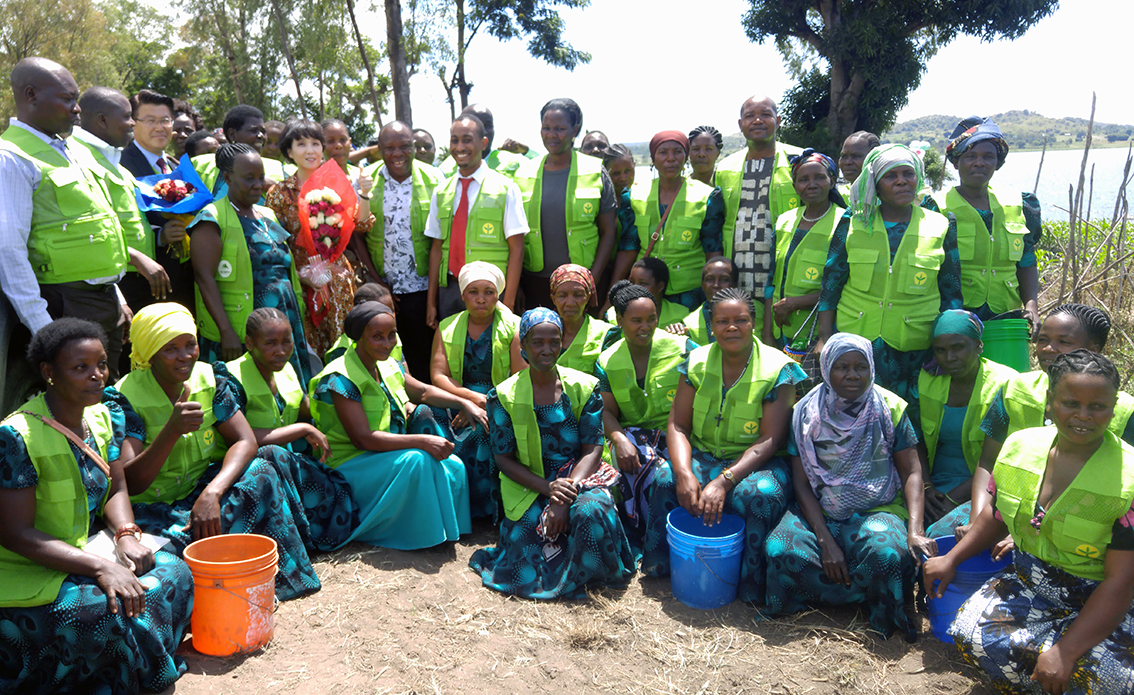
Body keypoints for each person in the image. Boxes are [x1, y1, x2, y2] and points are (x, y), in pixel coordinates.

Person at [924, 350, 1134, 695]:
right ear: (1050, 402)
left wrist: (1065, 652)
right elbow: (998, 516)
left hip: (1102, 600)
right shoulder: (1021, 447)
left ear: (1113, 408)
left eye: (1098, 406)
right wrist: (952, 558)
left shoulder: (1128, 479)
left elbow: (1120, 584)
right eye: (1070, 403)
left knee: (1111, 679)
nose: (1083, 416)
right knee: (971, 632)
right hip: (1032, 583)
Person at [0, 318, 192, 694]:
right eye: (80, 367)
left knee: (172, 571)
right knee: (102, 611)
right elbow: (14, 533)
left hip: (86, 550)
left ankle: (141, 668)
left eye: (102, 364)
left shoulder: (102, 416)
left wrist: (125, 535)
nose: (97, 375)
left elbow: (117, 486)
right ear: (48, 373)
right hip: (30, 571)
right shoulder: (15, 436)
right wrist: (101, 567)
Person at [105, 303, 329, 600]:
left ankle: (277, 581)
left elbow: (246, 440)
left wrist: (212, 492)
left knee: (263, 469)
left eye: (190, 345)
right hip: (154, 510)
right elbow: (131, 482)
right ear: (149, 353)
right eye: (170, 349)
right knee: (167, 558)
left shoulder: (208, 378)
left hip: (200, 492)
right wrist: (171, 432)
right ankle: (218, 584)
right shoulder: (125, 398)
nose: (185, 356)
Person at [764, 333, 932, 641]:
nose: (852, 374)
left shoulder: (890, 408)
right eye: (842, 367)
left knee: (888, 555)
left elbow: (912, 472)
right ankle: (819, 599)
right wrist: (825, 540)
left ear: (872, 369)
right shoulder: (804, 413)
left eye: (860, 367)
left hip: (877, 505)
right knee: (779, 549)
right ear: (827, 368)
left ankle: (880, 611)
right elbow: (801, 484)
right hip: (821, 507)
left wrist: (915, 529)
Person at [646, 289, 806, 601]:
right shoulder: (695, 362)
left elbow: (771, 439)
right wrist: (683, 473)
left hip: (756, 461)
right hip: (704, 452)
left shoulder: (779, 369)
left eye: (741, 320)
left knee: (760, 494)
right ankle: (666, 569)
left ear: (754, 324)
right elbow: (678, 425)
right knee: (665, 478)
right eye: (722, 321)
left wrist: (723, 481)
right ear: (711, 325)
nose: (731, 327)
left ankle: (749, 583)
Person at [469, 308, 635, 599]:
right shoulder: (503, 396)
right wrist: (547, 488)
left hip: (579, 476)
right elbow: (503, 458)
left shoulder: (584, 387)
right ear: (523, 347)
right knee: (529, 536)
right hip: (529, 482)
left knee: (589, 512)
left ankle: (592, 577)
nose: (547, 349)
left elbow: (594, 447)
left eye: (554, 342)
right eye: (537, 342)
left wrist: (565, 492)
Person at [310, 301, 482, 549]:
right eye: (377, 337)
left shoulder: (388, 364)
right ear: (358, 338)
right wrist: (422, 441)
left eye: (392, 335)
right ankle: (418, 536)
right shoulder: (339, 377)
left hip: (383, 455)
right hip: (350, 462)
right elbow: (362, 439)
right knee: (418, 460)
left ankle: (449, 531)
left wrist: (463, 402)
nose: (387, 343)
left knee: (453, 464)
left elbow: (422, 392)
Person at [0, 58, 131, 374]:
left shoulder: (74, 148)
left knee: (104, 405)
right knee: (70, 407)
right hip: (63, 305)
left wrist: (116, 294)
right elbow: (9, 252)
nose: (77, 109)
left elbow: (96, 224)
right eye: (68, 99)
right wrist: (45, 330)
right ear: (31, 96)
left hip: (104, 302)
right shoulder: (11, 157)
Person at [965, 305, 1134, 544]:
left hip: (1081, 526)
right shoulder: (1014, 389)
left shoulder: (1124, 410)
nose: (1048, 348)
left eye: (1063, 342)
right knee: (942, 536)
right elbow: (988, 462)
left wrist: (1026, 531)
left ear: (1094, 350)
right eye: (1042, 339)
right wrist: (975, 517)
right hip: (1003, 507)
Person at [814, 143, 962, 401]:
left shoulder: (940, 225)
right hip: (858, 343)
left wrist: (948, 344)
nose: (901, 182)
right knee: (856, 411)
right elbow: (831, 281)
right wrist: (824, 337)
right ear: (876, 184)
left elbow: (951, 289)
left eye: (908, 174)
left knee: (912, 416)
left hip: (916, 346)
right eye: (891, 176)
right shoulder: (854, 221)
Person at [217, 308, 359, 550]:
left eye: (287, 342)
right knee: (273, 453)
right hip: (247, 469)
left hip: (286, 464)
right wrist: (301, 429)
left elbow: (304, 407)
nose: (281, 350)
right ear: (249, 343)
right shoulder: (229, 378)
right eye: (270, 343)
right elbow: (243, 439)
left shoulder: (286, 369)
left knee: (339, 490)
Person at [189, 143, 312, 385]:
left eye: (261, 177)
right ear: (227, 178)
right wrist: (226, 331)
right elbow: (204, 278)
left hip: (283, 318)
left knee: (288, 390)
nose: (258, 184)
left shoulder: (267, 214)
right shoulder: (210, 218)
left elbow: (282, 263)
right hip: (242, 325)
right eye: (249, 178)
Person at [72, 86, 175, 358]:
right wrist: (119, 293)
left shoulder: (112, 157)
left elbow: (131, 221)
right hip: (117, 281)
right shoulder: (78, 158)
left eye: (164, 120)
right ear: (102, 120)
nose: (131, 123)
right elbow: (91, 230)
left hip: (141, 280)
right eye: (130, 117)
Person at [596, 280, 695, 558]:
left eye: (652, 319)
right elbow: (607, 411)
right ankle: (641, 539)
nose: (646, 327)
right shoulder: (606, 360)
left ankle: (668, 548)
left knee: (666, 475)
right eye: (636, 320)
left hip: (682, 433)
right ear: (619, 320)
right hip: (635, 437)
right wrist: (617, 438)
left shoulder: (684, 348)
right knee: (635, 463)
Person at [265, 119, 375, 360]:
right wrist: (302, 274)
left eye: (315, 143)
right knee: (311, 352)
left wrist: (365, 194)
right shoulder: (280, 194)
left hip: (337, 282)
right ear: (289, 152)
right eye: (301, 144)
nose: (310, 150)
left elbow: (363, 224)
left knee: (345, 350)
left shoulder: (336, 184)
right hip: (301, 285)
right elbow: (274, 242)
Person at [927, 116, 1042, 329]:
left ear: (997, 162)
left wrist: (1031, 306)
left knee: (1008, 364)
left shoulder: (1019, 204)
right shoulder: (936, 206)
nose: (979, 162)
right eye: (971, 156)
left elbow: (1026, 260)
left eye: (988, 156)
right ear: (955, 161)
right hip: (956, 317)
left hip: (1007, 314)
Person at [429, 262, 523, 518]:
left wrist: (486, 404)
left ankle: (478, 511)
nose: (481, 299)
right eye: (474, 292)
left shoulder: (514, 327)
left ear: (498, 295)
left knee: (481, 430)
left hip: (500, 400)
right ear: (462, 295)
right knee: (425, 414)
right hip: (458, 397)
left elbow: (519, 378)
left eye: (489, 292)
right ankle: (442, 502)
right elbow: (438, 375)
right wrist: (468, 400)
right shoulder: (446, 326)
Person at [354, 120, 443, 382]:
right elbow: (358, 234)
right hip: (383, 288)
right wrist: (378, 282)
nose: (398, 153)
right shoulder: (364, 180)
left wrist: (434, 295)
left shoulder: (435, 179)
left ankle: (429, 412)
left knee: (425, 355)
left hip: (423, 288)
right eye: (389, 147)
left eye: (405, 146)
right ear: (379, 149)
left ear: (414, 147)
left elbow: (441, 238)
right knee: (387, 355)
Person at [916, 311, 1017, 538]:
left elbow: (1003, 460)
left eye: (958, 347)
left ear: (979, 345)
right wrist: (926, 488)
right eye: (941, 350)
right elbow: (915, 439)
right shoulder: (928, 379)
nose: (949, 357)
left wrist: (953, 498)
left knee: (941, 534)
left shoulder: (1006, 383)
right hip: (934, 487)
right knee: (901, 534)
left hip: (984, 490)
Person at [425, 114, 528, 326]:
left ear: (483, 143)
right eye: (455, 140)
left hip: (489, 294)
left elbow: (517, 249)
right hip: (451, 291)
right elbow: (436, 248)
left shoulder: (505, 188)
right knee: (453, 352)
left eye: (467, 139)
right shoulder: (441, 191)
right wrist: (431, 302)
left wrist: (507, 304)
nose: (460, 146)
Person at [515, 98, 618, 310]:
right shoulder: (522, 173)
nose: (552, 134)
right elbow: (514, 235)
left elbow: (609, 232)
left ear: (575, 130)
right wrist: (517, 286)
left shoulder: (595, 171)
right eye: (546, 128)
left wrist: (593, 280)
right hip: (536, 283)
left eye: (560, 128)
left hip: (582, 283)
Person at [715, 96, 803, 299]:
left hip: (783, 267)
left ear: (778, 120)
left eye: (765, 114)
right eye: (749, 116)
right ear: (740, 124)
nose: (757, 120)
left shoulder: (797, 161)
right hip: (737, 271)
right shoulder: (725, 167)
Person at [629, 130, 725, 310]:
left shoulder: (707, 196)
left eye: (677, 152)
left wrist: (717, 295)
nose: (671, 158)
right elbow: (628, 247)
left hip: (689, 292)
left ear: (686, 156)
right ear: (653, 157)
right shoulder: (634, 195)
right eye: (663, 152)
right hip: (645, 289)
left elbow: (712, 249)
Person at [120, 89, 195, 317]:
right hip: (143, 284)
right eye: (150, 120)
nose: (159, 127)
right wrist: (160, 236)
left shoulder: (176, 167)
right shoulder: (120, 166)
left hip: (183, 281)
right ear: (133, 123)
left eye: (165, 120)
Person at [766, 149, 845, 360]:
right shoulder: (784, 220)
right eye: (803, 179)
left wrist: (794, 303)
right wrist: (767, 332)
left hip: (816, 332)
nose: (811, 184)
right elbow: (770, 281)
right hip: (779, 330)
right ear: (794, 186)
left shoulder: (845, 222)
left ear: (832, 181)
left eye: (820, 177)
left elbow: (843, 285)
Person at [550, 264, 617, 373]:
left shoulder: (607, 335)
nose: (570, 303)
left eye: (578, 295)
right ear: (553, 299)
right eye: (562, 295)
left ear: (588, 297)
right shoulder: (542, 332)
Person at [437, 104, 528, 178]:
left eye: (487, 125)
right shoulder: (445, 170)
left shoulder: (515, 162)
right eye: (477, 126)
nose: (484, 131)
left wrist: (527, 151)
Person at [323, 282, 403, 366]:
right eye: (382, 312)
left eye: (392, 310)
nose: (389, 316)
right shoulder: (342, 351)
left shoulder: (390, 335)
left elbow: (402, 371)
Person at [605, 257, 691, 330]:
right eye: (631, 282)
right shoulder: (613, 314)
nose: (635, 287)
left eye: (643, 283)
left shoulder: (682, 315)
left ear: (660, 286)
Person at [666, 256, 737, 343]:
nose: (716, 285)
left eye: (724, 279)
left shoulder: (755, 311)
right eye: (710, 279)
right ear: (702, 285)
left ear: (734, 285)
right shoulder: (689, 323)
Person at [601, 143, 640, 300]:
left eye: (628, 171)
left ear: (635, 166)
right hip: (604, 269)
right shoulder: (599, 200)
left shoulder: (642, 196)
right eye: (615, 173)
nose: (623, 178)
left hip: (633, 272)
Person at [837, 131, 880, 199]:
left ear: (874, 159)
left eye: (856, 156)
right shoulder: (836, 197)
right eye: (844, 156)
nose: (848, 162)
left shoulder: (887, 197)